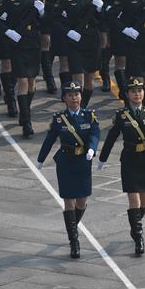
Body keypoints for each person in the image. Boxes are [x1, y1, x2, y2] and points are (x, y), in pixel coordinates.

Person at [97, 78, 145, 256]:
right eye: (133, 91)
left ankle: (135, 226)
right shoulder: (122, 115)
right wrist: (102, 159)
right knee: (134, 200)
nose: (137, 94)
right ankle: (139, 237)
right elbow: (111, 137)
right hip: (130, 160)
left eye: (140, 90)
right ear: (127, 94)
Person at [36, 81, 100, 259]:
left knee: (81, 202)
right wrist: (40, 160)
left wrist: (92, 149)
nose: (75, 98)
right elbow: (49, 140)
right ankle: (74, 240)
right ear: (64, 98)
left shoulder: (89, 116)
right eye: (71, 95)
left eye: (77, 94)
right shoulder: (59, 119)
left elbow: (95, 134)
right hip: (66, 162)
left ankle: (72, 225)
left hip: (83, 161)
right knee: (69, 202)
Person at [0, 0, 45, 137]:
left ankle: (25, 110)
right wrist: (8, 31)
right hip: (17, 43)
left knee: (31, 83)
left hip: (33, 43)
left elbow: (46, 23)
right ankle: (26, 121)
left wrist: (43, 13)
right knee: (22, 81)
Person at [53, 0, 103, 107]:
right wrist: (68, 32)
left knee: (89, 80)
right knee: (77, 79)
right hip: (75, 41)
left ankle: (82, 108)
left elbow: (104, 22)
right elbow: (55, 19)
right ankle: (74, 110)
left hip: (92, 40)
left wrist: (101, 11)